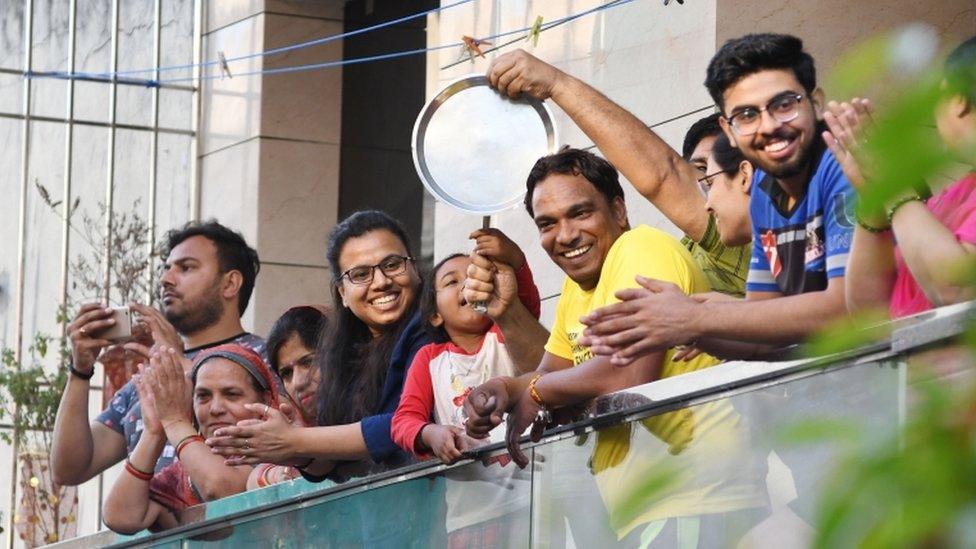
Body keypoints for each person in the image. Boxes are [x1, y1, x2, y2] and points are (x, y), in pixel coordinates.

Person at [462, 149, 766, 543]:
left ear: (619, 211)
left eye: (581, 213)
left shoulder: (640, 246)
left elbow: (627, 374)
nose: (566, 235)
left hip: (698, 500)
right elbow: (552, 371)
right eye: (548, 223)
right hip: (654, 510)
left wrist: (534, 392)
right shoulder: (578, 285)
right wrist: (501, 389)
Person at [560, 33, 856, 362]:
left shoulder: (843, 165)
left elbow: (850, 305)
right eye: (746, 116)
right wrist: (680, 329)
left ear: (815, 104)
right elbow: (765, 333)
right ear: (728, 130)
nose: (769, 126)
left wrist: (697, 318)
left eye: (784, 105)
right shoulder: (764, 196)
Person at [487, 51, 751, 297]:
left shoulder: (750, 245)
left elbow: (665, 176)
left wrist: (558, 84)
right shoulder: (677, 257)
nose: (566, 235)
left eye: (717, 175)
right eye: (700, 172)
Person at [52, 221, 265, 487]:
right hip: (147, 525)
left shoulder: (266, 359)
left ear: (230, 283)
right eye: (166, 269)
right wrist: (79, 371)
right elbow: (68, 470)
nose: (165, 279)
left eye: (186, 268)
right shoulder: (148, 375)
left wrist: (182, 367)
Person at [391, 243, 541, 546]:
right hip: (470, 517)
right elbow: (403, 421)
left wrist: (513, 259)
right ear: (434, 315)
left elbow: (523, 302)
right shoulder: (429, 359)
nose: (468, 284)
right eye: (452, 281)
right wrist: (430, 433)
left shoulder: (504, 334)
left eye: (474, 275)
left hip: (533, 497)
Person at [828, 36, 976, 318]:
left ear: (958, 100)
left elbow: (957, 288)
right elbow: (868, 311)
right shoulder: (952, 195)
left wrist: (896, 188)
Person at [102, 344, 285, 534]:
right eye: (203, 396)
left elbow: (219, 488)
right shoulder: (182, 475)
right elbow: (120, 517)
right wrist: (154, 433)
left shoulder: (283, 454)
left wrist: (174, 420)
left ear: (264, 400)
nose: (215, 408)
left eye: (231, 394)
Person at [265, 305, 329, 424]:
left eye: (308, 362)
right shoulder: (289, 434)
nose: (298, 382)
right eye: (287, 373)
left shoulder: (372, 414)